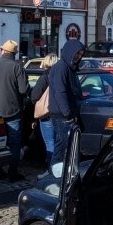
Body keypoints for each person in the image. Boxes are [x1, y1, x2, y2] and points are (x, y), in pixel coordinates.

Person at [0, 39, 31, 180]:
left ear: (2, 50)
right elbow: (23, 90)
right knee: (14, 144)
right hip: (13, 111)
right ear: (14, 53)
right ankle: (12, 173)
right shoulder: (17, 66)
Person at [44, 38, 85, 170]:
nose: (78, 57)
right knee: (65, 146)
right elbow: (60, 92)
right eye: (77, 53)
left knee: (65, 146)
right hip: (61, 115)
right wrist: (68, 115)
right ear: (70, 52)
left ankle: (60, 174)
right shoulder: (61, 67)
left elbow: (71, 90)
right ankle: (56, 175)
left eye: (80, 54)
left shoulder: (70, 67)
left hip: (67, 113)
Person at [30, 54, 59, 161]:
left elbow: (34, 96)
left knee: (50, 143)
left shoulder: (45, 76)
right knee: (58, 142)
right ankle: (59, 169)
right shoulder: (61, 76)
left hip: (47, 115)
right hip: (60, 113)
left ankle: (51, 170)